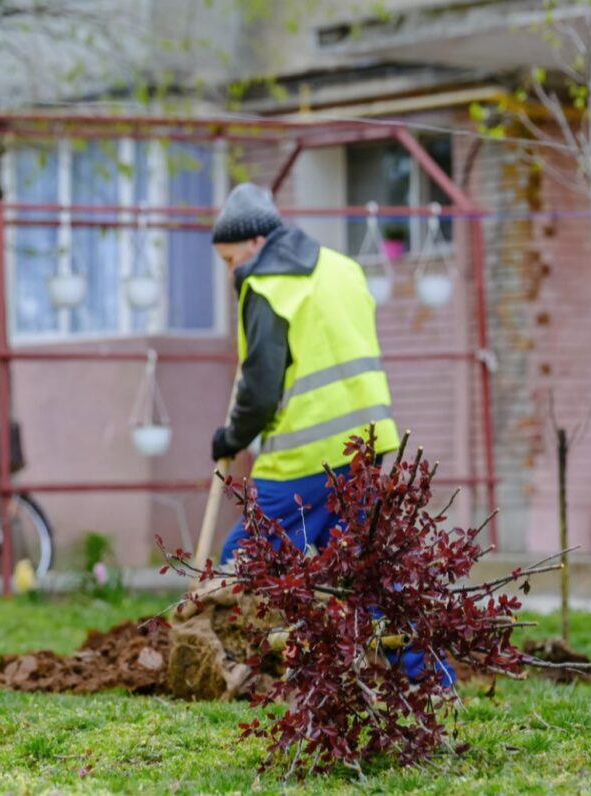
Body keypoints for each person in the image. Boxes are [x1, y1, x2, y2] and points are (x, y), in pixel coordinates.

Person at [209, 183, 454, 688]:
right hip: (365, 446)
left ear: (255, 243)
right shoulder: (343, 269)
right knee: (369, 574)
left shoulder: (266, 285)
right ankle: (429, 680)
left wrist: (230, 437)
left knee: (245, 560)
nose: (231, 271)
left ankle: (224, 668)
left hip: (305, 456)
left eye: (230, 258)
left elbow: (258, 391)